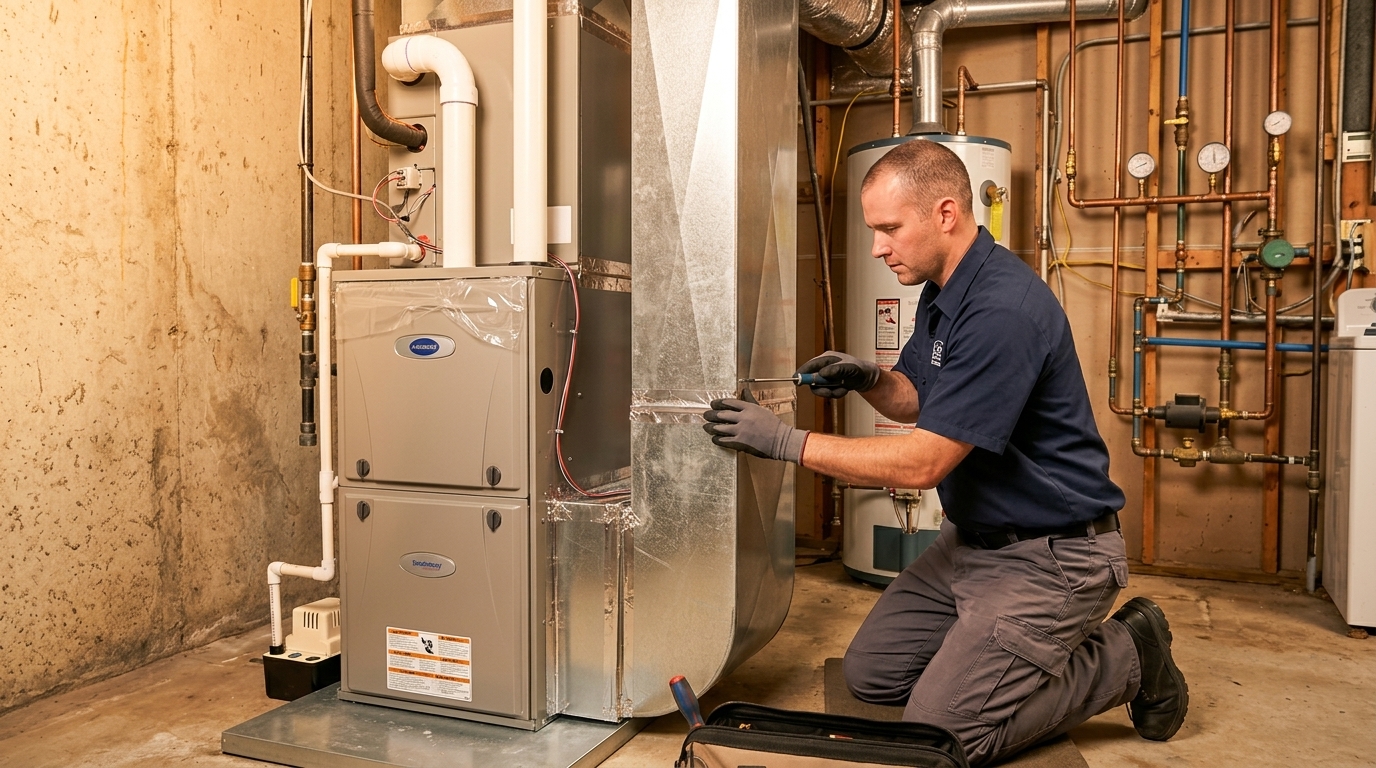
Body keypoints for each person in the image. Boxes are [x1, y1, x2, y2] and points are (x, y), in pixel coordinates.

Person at [702, 139, 1187, 765]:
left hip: (1054, 556)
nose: (878, 247)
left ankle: (1126, 656)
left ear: (947, 214)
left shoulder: (1001, 310)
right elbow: (916, 399)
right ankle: (991, 658)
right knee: (872, 677)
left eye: (889, 229)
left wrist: (785, 442)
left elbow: (923, 462)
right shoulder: (943, 290)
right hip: (972, 546)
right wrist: (869, 378)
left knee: (941, 737)